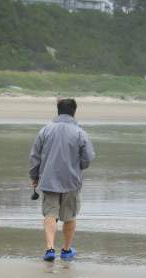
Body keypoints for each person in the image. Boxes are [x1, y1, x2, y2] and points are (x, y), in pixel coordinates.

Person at [29, 98, 95, 262]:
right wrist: (79, 167)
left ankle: (50, 248)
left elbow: (35, 157)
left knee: (50, 214)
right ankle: (65, 250)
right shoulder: (80, 132)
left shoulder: (45, 130)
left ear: (58, 111)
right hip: (71, 181)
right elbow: (88, 157)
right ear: (74, 112)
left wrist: (34, 177)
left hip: (48, 180)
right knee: (70, 216)